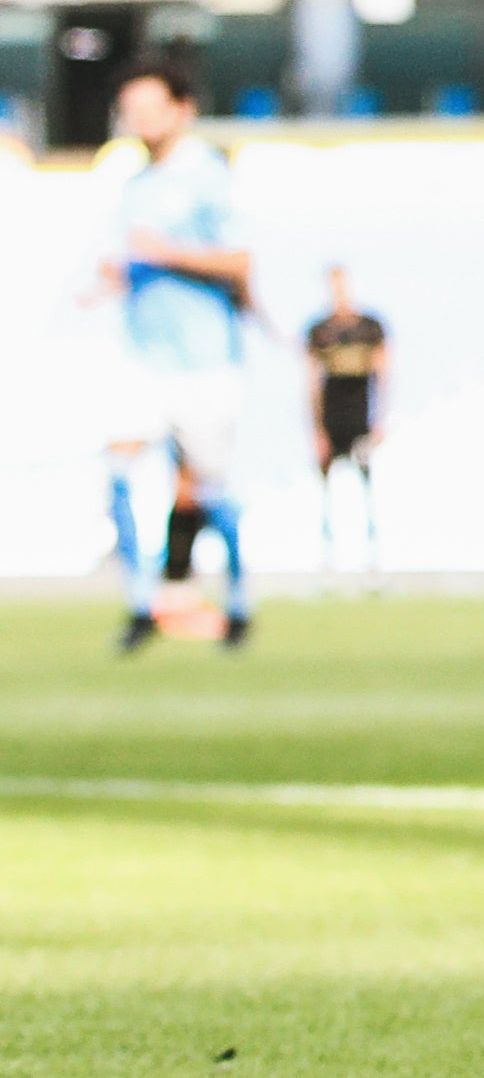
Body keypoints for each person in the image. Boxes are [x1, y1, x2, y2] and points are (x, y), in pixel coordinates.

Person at [96, 63, 256, 652]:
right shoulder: (133, 184)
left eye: (148, 106)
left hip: (205, 360)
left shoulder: (208, 175)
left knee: (209, 489)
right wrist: (118, 276)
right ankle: (144, 604)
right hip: (144, 357)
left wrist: (165, 254)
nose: (136, 118)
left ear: (182, 109)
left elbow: (239, 260)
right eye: (129, 107)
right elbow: (138, 258)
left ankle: (240, 603)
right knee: (118, 470)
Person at [305, 265, 388, 577]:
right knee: (327, 492)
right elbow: (311, 382)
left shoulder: (370, 328)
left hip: (361, 418)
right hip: (331, 419)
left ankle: (373, 560)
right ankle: (328, 560)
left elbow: (384, 372)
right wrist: (316, 428)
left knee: (367, 486)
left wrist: (379, 419)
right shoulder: (320, 330)